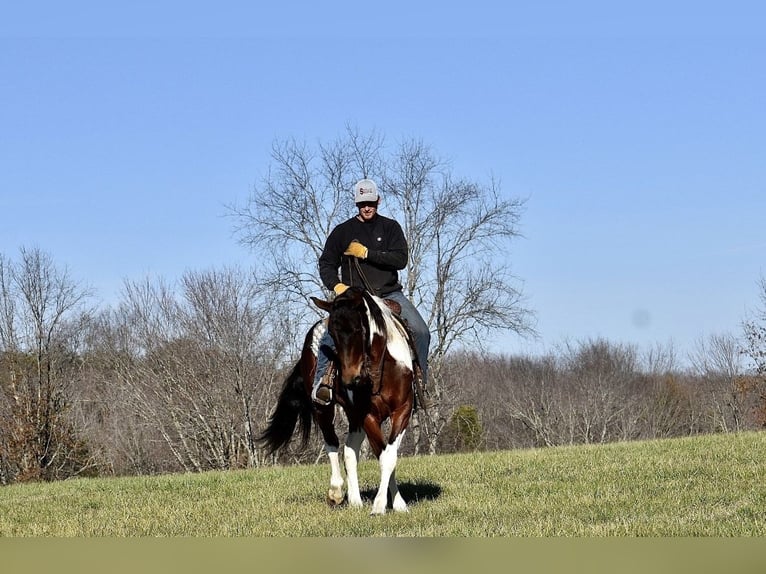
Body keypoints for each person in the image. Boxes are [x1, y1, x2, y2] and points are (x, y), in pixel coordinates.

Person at [311, 178, 430, 405]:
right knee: (333, 333)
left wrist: (367, 253)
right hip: (356, 297)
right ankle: (322, 383)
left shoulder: (390, 227)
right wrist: (337, 286)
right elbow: (326, 263)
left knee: (421, 331)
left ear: (378, 200)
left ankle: (419, 384)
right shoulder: (342, 232)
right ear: (356, 204)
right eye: (362, 203)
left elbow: (401, 259)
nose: (367, 208)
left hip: (389, 294)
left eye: (371, 203)